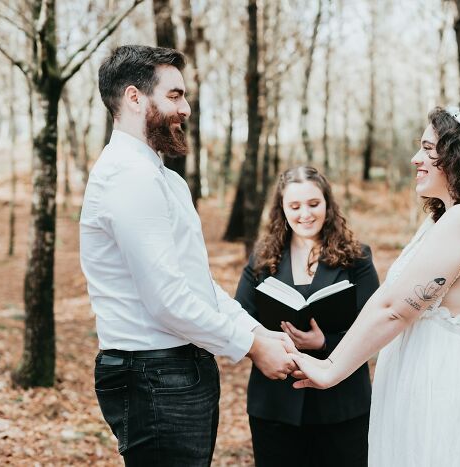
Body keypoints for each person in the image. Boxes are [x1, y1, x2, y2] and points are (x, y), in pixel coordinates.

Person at [291, 107, 460, 466]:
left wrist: (331, 371)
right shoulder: (453, 219)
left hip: (440, 378)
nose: (415, 158)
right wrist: (331, 361)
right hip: (422, 371)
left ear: (455, 155)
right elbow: (385, 300)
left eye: (427, 148)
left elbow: (396, 310)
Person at [80, 45, 296, 467]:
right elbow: (167, 301)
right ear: (134, 98)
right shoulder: (129, 177)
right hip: (152, 374)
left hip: (176, 369)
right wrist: (253, 347)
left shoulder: (162, 178)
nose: (187, 108)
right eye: (175, 95)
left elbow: (194, 282)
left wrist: (257, 330)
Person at [234, 166, 380, 467]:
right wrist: (270, 343)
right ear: (282, 209)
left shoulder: (358, 258)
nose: (305, 214)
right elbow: (240, 317)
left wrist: (324, 341)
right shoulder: (262, 257)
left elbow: (374, 327)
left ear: (328, 203)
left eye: (314, 204)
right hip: (275, 403)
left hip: (342, 404)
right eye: (295, 206)